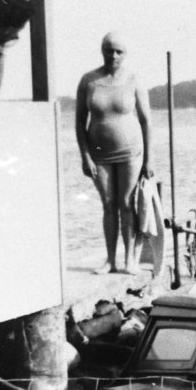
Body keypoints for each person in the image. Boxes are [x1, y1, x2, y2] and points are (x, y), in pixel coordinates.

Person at [75, 31, 155, 274]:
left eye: (119, 51)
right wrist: (85, 156)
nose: (113, 55)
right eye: (109, 50)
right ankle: (111, 260)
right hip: (99, 154)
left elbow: (146, 121)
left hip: (131, 152)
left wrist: (149, 159)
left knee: (126, 203)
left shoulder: (134, 79)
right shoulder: (88, 80)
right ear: (102, 51)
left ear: (125, 54)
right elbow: (79, 122)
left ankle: (130, 259)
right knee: (108, 205)